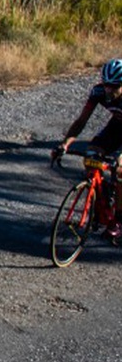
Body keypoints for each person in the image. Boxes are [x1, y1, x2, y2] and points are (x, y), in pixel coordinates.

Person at [55, 58, 122, 236]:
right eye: (106, 85)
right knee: (91, 157)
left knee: (120, 170)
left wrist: (118, 157)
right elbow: (81, 121)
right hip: (117, 125)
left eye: (114, 86)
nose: (109, 90)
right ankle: (101, 203)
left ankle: (119, 219)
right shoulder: (99, 92)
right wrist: (64, 144)